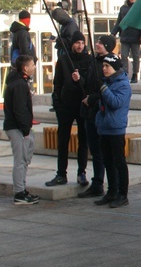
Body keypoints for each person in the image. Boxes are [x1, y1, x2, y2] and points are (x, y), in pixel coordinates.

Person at [46, 31, 91, 188]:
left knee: (83, 139)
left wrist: (81, 79)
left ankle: (81, 172)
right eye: (77, 43)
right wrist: (57, 102)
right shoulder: (64, 59)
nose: (79, 46)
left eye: (82, 43)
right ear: (72, 44)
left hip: (82, 104)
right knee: (63, 139)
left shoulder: (88, 60)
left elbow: (91, 83)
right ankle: (61, 173)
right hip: (66, 105)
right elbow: (57, 82)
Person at [78, 35, 115, 198]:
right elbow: (91, 83)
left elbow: (107, 87)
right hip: (90, 111)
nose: (97, 44)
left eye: (100, 43)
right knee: (94, 149)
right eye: (97, 42)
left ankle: (110, 185)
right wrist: (80, 79)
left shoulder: (110, 63)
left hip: (100, 111)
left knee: (104, 151)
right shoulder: (93, 61)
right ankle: (97, 182)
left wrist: (92, 98)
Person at [94, 54, 132, 209]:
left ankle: (123, 194)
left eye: (107, 66)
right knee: (107, 161)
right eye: (103, 66)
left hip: (116, 129)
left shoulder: (123, 84)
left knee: (119, 162)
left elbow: (116, 102)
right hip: (104, 127)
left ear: (115, 68)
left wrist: (103, 89)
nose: (104, 69)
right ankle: (112, 191)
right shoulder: (107, 82)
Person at [4, 55, 39, 204]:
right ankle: (19, 193)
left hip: (21, 127)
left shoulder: (20, 82)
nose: (34, 67)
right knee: (20, 160)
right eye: (32, 65)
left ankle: (22, 189)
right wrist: (25, 129)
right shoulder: (19, 84)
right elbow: (19, 109)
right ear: (25, 68)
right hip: (17, 128)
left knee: (24, 159)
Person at [111, 0, 141, 83]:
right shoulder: (123, 8)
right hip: (125, 36)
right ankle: (125, 74)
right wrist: (113, 33)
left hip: (136, 36)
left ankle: (135, 75)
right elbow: (119, 22)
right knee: (124, 56)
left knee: (136, 56)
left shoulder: (140, 7)